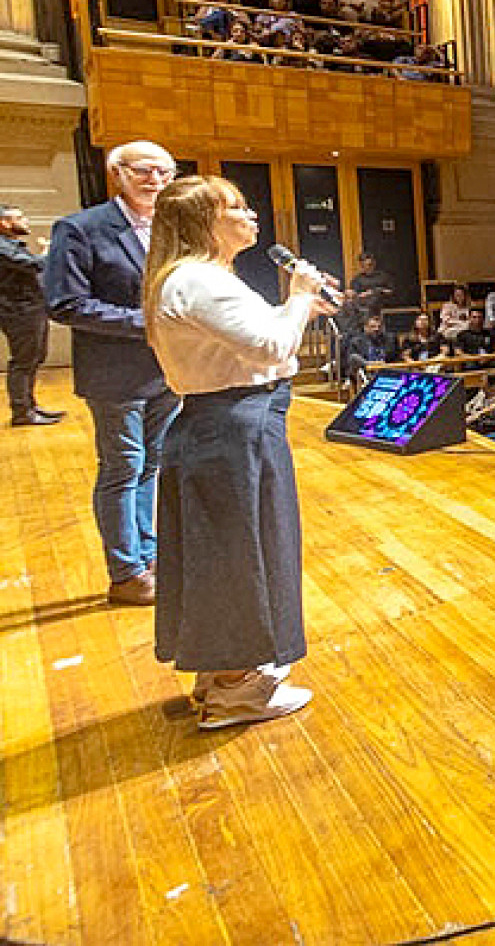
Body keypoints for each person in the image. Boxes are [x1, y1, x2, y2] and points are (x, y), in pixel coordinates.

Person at [144, 175, 331, 729]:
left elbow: (255, 339)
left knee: (229, 551)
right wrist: (297, 299)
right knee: (239, 553)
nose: (252, 216)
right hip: (233, 425)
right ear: (205, 222)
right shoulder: (200, 280)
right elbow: (272, 346)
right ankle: (235, 691)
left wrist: (294, 312)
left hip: (221, 423)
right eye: (237, 208)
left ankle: (225, 675)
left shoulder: (191, 278)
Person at [44, 141, 183, 605]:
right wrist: (146, 323)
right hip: (115, 373)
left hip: (167, 370)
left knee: (153, 466)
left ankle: (149, 555)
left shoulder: (171, 228)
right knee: (123, 468)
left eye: (165, 172)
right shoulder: (80, 229)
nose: (157, 181)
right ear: (117, 173)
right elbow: (66, 303)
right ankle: (126, 573)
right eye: (145, 171)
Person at [0, 204, 60, 425]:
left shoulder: (10, 244)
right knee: (24, 361)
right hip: (18, 310)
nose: (26, 221)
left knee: (35, 357)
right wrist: (49, 251)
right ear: (4, 223)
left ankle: (30, 405)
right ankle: (22, 411)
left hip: (30, 307)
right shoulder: (2, 247)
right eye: (20, 217)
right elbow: (34, 265)